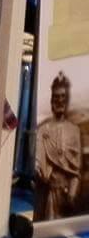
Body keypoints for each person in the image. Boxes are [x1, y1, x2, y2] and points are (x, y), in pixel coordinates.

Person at [36, 73, 81, 221]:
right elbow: (38, 164)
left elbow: (75, 171)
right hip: (48, 195)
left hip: (67, 196)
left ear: (67, 100)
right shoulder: (43, 130)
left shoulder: (74, 130)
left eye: (63, 96)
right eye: (56, 97)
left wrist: (71, 195)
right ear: (51, 100)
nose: (60, 100)